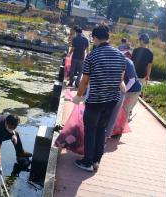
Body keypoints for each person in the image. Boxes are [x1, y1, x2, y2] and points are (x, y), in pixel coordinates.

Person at [72, 24, 126, 172]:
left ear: (95, 38)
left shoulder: (93, 55)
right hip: (112, 100)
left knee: (90, 130)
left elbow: (84, 80)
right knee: (101, 129)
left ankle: (87, 162)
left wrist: (78, 96)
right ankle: (96, 160)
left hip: (95, 100)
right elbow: (121, 78)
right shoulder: (120, 55)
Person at [105, 50, 142, 138]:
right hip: (125, 89)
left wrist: (124, 91)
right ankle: (114, 130)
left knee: (124, 111)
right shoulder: (118, 62)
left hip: (133, 90)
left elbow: (132, 80)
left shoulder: (127, 62)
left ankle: (118, 132)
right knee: (119, 110)